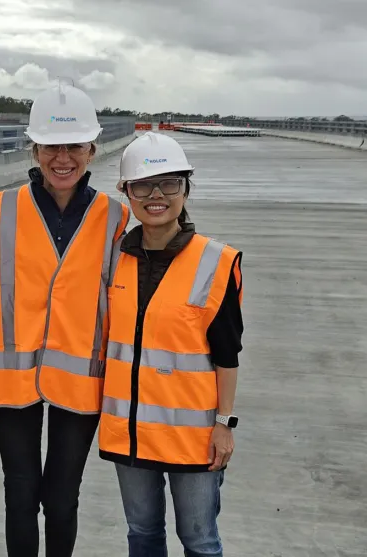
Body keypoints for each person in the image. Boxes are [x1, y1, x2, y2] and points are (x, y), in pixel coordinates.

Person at [0, 82, 130, 557]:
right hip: (12, 376)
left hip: (80, 378)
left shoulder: (115, 217)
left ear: (92, 150)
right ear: (34, 149)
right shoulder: (5, 209)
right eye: (51, 147)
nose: (63, 158)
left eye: (74, 146)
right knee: (20, 493)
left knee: (61, 498)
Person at [98, 132, 244, 557]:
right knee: (142, 533)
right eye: (143, 186)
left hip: (193, 436)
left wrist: (224, 425)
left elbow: (227, 355)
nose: (156, 196)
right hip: (131, 433)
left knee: (200, 539)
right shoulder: (113, 258)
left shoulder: (215, 262)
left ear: (185, 189)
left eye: (169, 184)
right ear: (127, 192)